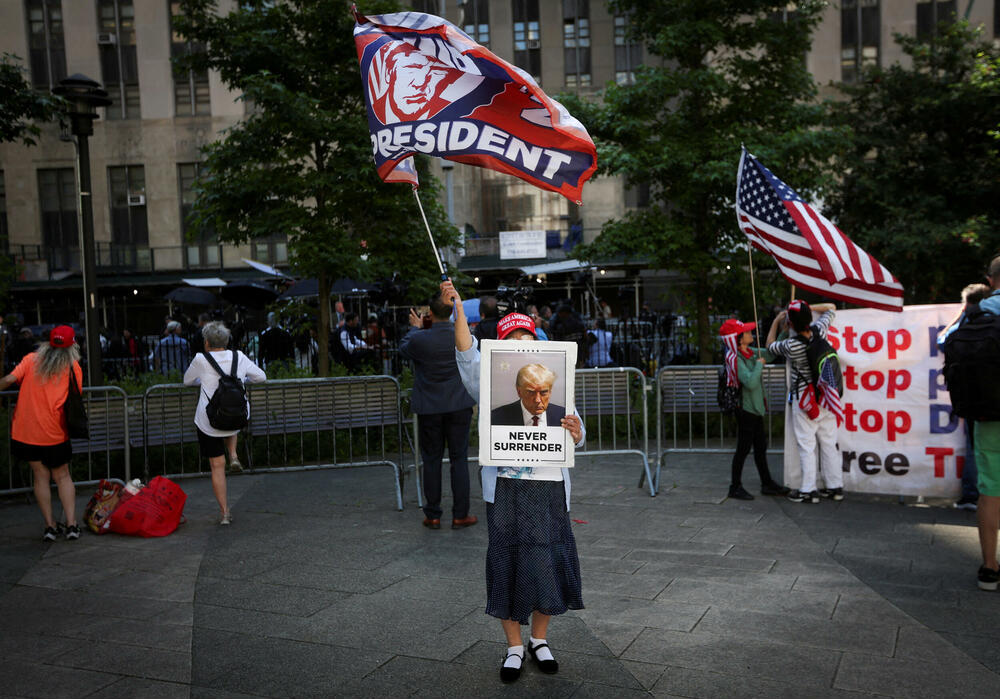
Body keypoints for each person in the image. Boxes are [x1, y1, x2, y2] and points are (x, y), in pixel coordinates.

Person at [443, 279, 585, 685]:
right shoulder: (488, 387)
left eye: (527, 336)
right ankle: (513, 646)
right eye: (513, 338)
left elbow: (578, 430)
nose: (522, 342)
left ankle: (539, 639)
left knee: (549, 561)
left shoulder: (554, 385)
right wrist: (456, 309)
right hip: (504, 489)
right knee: (506, 562)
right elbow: (466, 352)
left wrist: (576, 432)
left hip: (549, 488)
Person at [941, 257, 1000, 591]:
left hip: (989, 413)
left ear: (990, 280)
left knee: (990, 491)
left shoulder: (976, 313)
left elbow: (946, 344)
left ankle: (989, 567)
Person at [399, 292, 477, 530]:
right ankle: (460, 514)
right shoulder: (461, 336)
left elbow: (403, 349)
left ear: (430, 313)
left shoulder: (420, 339)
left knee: (431, 460)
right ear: (453, 312)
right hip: (459, 404)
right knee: (459, 460)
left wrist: (416, 328)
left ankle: (432, 514)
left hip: (430, 407)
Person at [0, 325, 83, 541]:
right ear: (72, 345)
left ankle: (49, 527)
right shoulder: (73, 367)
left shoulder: (31, 359)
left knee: (40, 477)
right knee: (63, 476)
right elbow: (74, 398)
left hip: (26, 431)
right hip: (55, 431)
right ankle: (72, 525)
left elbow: (8, 380)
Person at [183, 321, 266, 524]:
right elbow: (261, 377)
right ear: (227, 341)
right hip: (236, 418)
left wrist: (203, 380)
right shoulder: (239, 357)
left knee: (216, 466)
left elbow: (186, 381)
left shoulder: (201, 359)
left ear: (207, 342)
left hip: (209, 422)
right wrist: (240, 380)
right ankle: (234, 455)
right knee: (230, 417)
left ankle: (225, 512)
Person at [766, 300, 841, 504]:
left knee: (807, 446)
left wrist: (776, 321)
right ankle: (835, 487)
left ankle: (808, 490)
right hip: (826, 397)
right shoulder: (820, 330)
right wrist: (809, 308)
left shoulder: (791, 345)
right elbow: (831, 307)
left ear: (790, 323)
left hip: (805, 400)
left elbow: (769, 346)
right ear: (809, 319)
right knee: (829, 443)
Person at [719, 318, 788, 500]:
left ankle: (767, 483)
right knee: (743, 449)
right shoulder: (735, 359)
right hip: (746, 410)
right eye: (748, 332)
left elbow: (771, 355)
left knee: (760, 447)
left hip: (755, 409)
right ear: (739, 339)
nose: (751, 334)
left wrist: (783, 331)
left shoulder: (749, 352)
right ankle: (735, 487)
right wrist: (759, 365)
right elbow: (749, 382)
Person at [938, 282, 992, 511]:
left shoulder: (966, 322)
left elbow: (943, 340)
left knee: (974, 446)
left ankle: (972, 496)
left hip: (972, 396)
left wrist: (958, 317)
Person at [491, 363, 566, 427]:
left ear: (550, 391)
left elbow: (576, 442)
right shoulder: (496, 418)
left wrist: (577, 439)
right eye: (531, 392)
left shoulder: (564, 416)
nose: (537, 400)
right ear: (519, 391)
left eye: (543, 392)